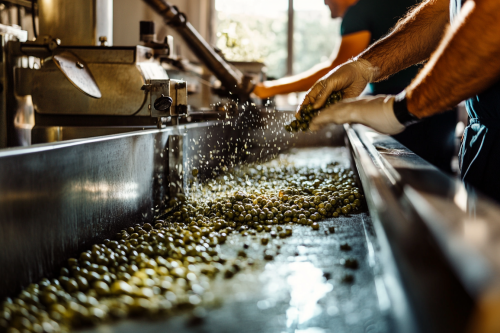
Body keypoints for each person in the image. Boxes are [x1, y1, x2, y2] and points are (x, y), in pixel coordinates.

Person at [300, 0, 500, 203]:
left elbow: (493, 22)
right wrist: (364, 66)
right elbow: (445, 11)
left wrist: (401, 109)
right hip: (482, 136)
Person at [254, 0, 457, 173]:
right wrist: (363, 68)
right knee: (439, 179)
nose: (324, 2)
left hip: (411, 107)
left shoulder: (358, 12)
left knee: (416, 185)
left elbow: (336, 68)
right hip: (441, 107)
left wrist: (267, 89)